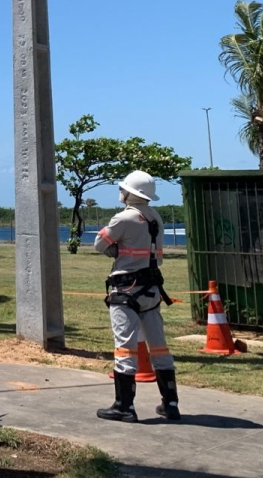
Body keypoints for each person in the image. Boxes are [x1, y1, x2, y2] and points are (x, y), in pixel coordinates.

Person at [93, 170, 180, 423]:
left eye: (123, 189)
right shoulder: (155, 217)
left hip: (126, 289)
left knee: (125, 348)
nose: (120, 192)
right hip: (151, 289)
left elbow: (100, 244)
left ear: (131, 193)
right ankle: (170, 403)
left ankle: (124, 406)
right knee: (159, 346)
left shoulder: (124, 218)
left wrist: (117, 251)